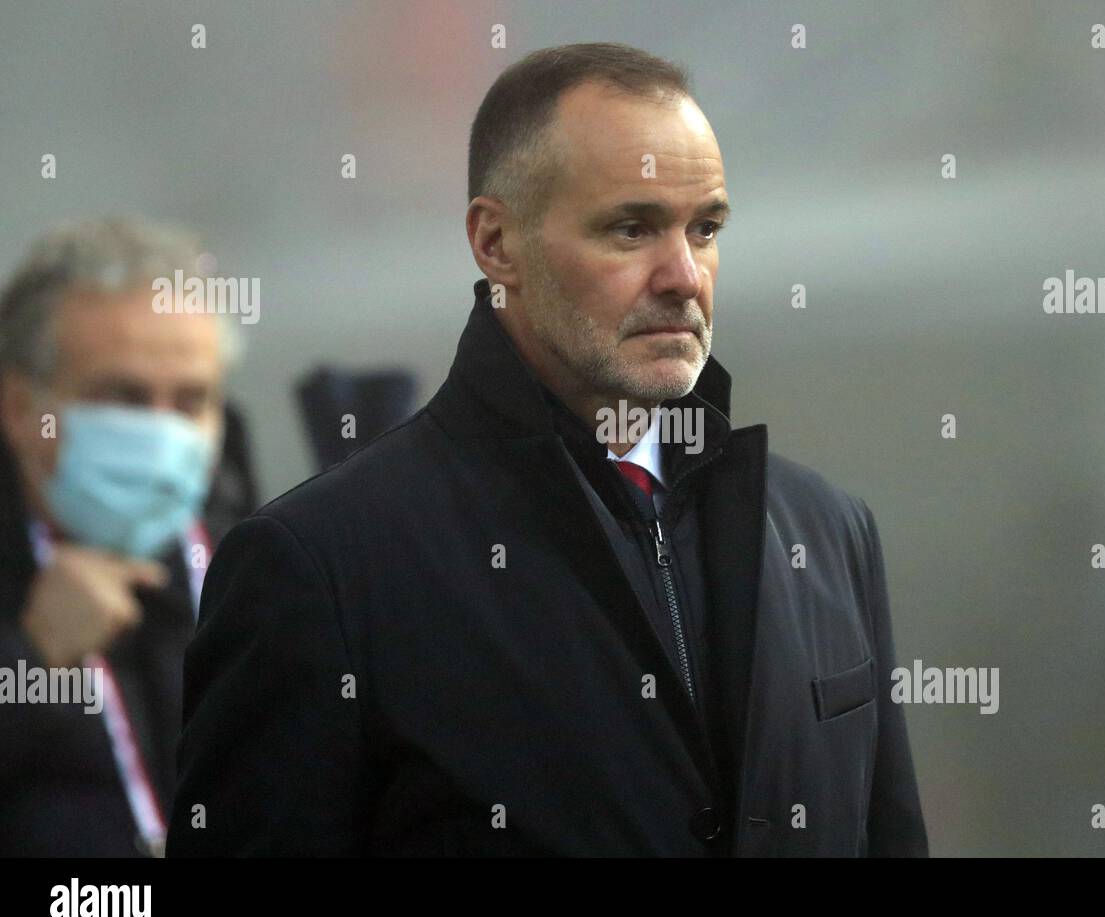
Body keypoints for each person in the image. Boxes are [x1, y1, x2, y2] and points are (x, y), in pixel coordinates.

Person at [168, 42, 927, 857]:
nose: (684, 275)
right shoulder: (319, 569)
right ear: (497, 244)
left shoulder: (829, 534)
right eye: (631, 228)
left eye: (704, 228)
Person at [0, 217, 251, 856]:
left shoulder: (265, 565)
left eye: (191, 401)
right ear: (22, 408)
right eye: (126, 400)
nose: (163, 436)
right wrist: (30, 661)